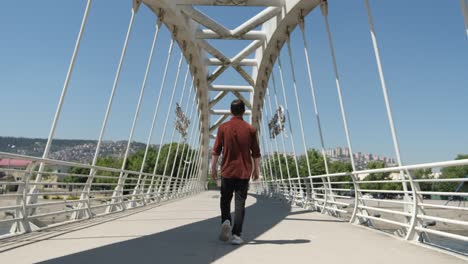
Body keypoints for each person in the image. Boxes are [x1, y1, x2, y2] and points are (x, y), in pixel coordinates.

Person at [211, 99, 261, 245]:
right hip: (244, 172)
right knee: (240, 203)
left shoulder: (223, 128)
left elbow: (216, 150)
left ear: (230, 111)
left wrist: (213, 167)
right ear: (244, 111)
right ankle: (237, 235)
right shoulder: (250, 129)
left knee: (225, 199)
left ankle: (226, 221)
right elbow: (256, 153)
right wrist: (256, 169)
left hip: (227, 171)